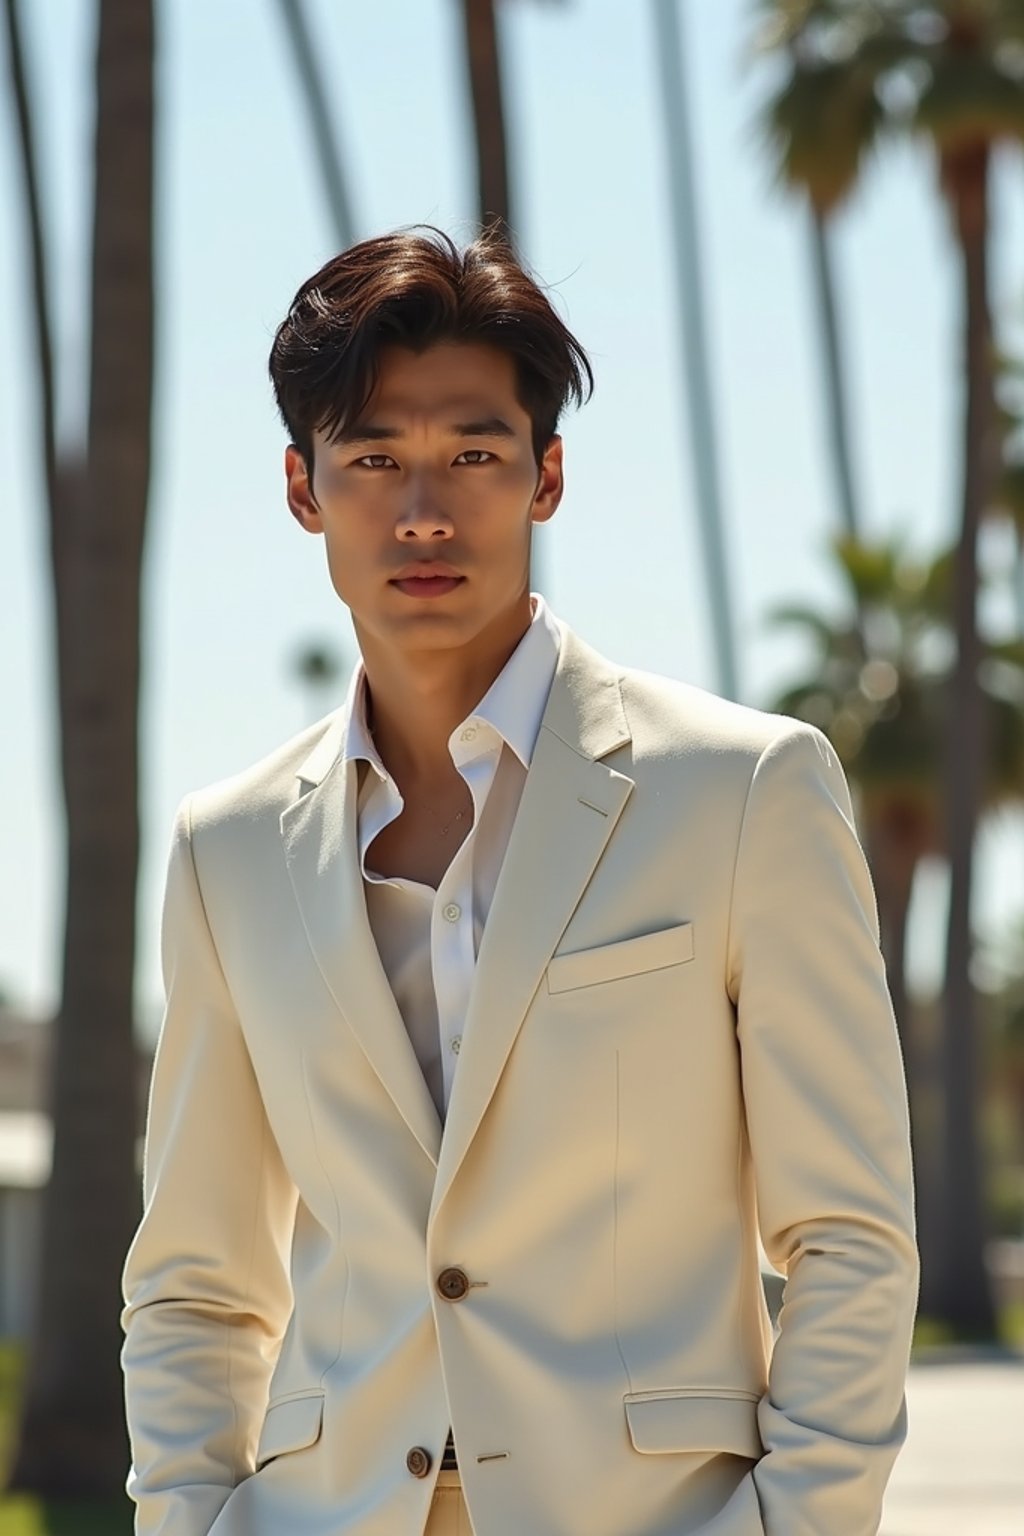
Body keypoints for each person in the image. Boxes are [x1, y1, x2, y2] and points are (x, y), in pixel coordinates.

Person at [120, 226, 918, 1536]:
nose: (424, 509)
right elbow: (198, 1283)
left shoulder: (744, 793)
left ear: (547, 476)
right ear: (300, 489)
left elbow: (850, 1235)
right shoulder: (230, 851)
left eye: (474, 455)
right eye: (373, 458)